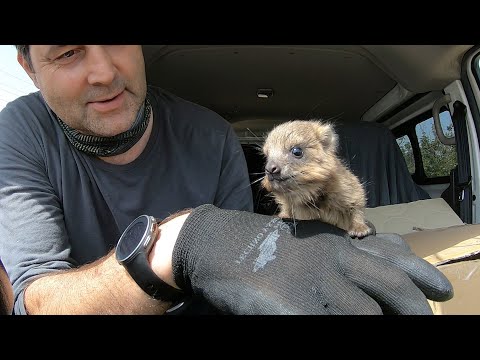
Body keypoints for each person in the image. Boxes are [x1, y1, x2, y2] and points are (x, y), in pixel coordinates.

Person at [0, 45, 453, 315]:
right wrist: (179, 245)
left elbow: (244, 282)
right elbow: (37, 298)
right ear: (28, 67)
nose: (104, 71)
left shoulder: (211, 135)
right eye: (66, 51)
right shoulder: (20, 133)